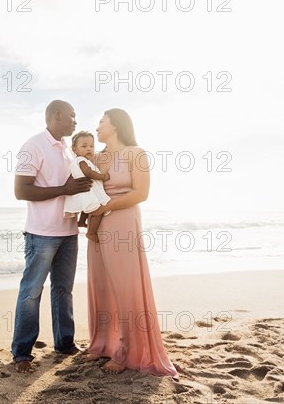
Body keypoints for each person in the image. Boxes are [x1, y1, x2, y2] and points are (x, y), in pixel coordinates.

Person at [83, 109, 178, 378]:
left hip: (121, 221)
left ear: (115, 124)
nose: (98, 126)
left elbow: (141, 193)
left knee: (124, 286)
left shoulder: (136, 153)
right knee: (100, 284)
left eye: (101, 121)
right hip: (97, 223)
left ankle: (127, 351)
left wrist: (105, 208)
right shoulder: (97, 156)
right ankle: (102, 343)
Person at [11, 100, 92, 374]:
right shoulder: (33, 145)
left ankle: (65, 344)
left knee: (63, 291)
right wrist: (64, 188)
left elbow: (74, 190)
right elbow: (21, 191)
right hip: (42, 233)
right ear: (57, 116)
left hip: (69, 232)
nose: (75, 121)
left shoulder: (69, 152)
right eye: (72, 115)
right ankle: (22, 353)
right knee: (31, 292)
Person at [63, 130, 111, 242]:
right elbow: (88, 173)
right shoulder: (82, 160)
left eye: (91, 146)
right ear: (75, 150)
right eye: (84, 146)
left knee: (87, 207)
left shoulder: (77, 161)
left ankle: (81, 221)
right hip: (88, 190)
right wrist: (102, 176)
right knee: (98, 210)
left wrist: (103, 151)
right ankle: (91, 232)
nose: (89, 149)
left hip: (85, 191)